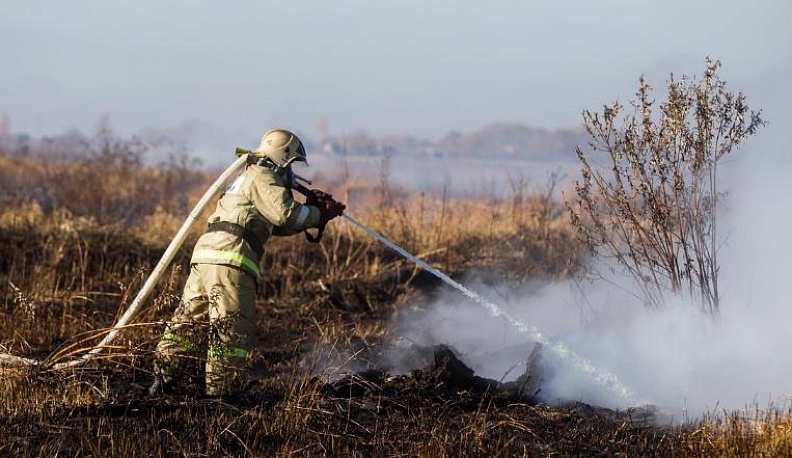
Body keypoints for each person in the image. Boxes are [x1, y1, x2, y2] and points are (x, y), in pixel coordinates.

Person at [149, 128, 345, 399]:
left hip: (206, 258)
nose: (292, 170)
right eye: (292, 164)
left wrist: (314, 212)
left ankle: (162, 380)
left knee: (187, 323)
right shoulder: (264, 176)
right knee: (231, 328)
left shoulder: (248, 177)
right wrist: (318, 212)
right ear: (283, 157)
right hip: (231, 261)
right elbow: (287, 215)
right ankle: (220, 396)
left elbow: (273, 224)